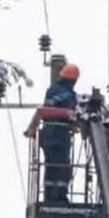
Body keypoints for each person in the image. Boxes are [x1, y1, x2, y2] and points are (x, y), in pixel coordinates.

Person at [39, 63, 79, 202]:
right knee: (62, 167)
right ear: (73, 80)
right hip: (59, 134)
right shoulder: (68, 94)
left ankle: (49, 195)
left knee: (51, 166)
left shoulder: (52, 90)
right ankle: (59, 196)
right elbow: (71, 107)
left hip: (48, 134)